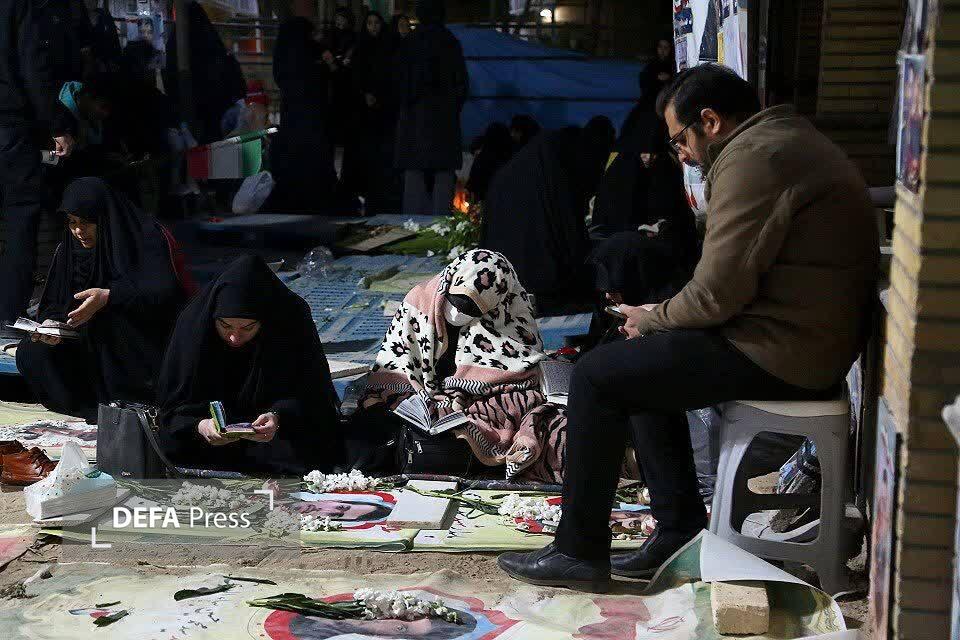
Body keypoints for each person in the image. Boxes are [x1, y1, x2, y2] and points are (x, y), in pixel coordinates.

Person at [497, 64, 879, 592]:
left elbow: (717, 294)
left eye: (681, 140)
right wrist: (657, 319)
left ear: (711, 121)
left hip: (787, 351)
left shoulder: (753, 159)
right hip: (800, 340)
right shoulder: (779, 140)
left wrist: (653, 316)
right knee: (636, 366)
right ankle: (677, 531)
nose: (683, 154)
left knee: (595, 375)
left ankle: (578, 550)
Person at [352, 250, 567, 483]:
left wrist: (459, 395)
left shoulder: (510, 308)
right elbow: (397, 365)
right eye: (456, 303)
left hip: (480, 396)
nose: (458, 314)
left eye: (470, 310)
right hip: (421, 393)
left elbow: (516, 373)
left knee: (537, 425)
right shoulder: (419, 299)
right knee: (375, 424)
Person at [16, 178, 184, 423]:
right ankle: (82, 409)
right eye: (72, 223)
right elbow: (54, 302)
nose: (78, 231)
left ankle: (125, 408)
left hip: (136, 342)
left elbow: (163, 292)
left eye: (86, 222)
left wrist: (109, 297)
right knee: (32, 351)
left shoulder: (143, 240)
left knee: (108, 324)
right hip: (82, 342)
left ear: (104, 219)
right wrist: (52, 325)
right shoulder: (69, 251)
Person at [157, 256, 341, 475]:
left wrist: (277, 416)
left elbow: (312, 394)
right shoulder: (195, 326)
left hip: (271, 440)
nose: (234, 338)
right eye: (225, 326)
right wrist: (201, 425)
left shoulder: (289, 320)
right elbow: (172, 409)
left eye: (247, 327)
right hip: (206, 444)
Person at [480, 117, 615, 316]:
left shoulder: (512, 174)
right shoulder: (555, 176)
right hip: (546, 290)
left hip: (500, 284)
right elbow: (572, 242)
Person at [0, 0, 76, 332]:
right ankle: (8, 314)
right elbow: (34, 66)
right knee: (20, 217)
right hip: (9, 126)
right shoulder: (18, 6)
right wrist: (57, 125)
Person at [394, 0, 469, 216]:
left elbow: (400, 81)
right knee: (443, 174)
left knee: (414, 174)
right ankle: (441, 225)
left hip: (414, 120)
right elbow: (461, 85)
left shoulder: (410, 42)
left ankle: (412, 224)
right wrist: (451, 107)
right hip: (444, 119)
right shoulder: (450, 42)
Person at [266, 17, 340, 214]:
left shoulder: (286, 53)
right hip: (313, 117)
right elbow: (325, 77)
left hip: (294, 115)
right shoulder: (310, 53)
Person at [340, 10, 400, 213]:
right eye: (370, 23)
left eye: (376, 23)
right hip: (363, 113)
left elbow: (392, 77)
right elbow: (355, 77)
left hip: (384, 110)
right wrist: (364, 93)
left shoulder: (389, 48)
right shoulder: (360, 48)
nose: (373, 27)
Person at [163, 1, 246, 144]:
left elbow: (169, 76)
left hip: (190, 110)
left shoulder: (175, 43)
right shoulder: (210, 40)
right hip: (216, 109)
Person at [465, 122, 514, 204]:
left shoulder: (484, 158)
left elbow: (474, 179)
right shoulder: (511, 158)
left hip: (486, 200)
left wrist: (469, 188)